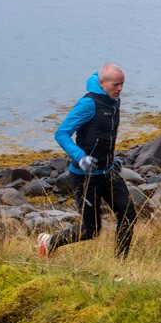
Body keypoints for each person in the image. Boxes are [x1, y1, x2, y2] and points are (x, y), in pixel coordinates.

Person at [38, 62, 138, 259]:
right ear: (102, 83)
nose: (120, 89)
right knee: (90, 230)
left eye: (122, 84)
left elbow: (104, 134)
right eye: (116, 85)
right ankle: (49, 242)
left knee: (128, 215)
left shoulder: (114, 101)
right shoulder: (88, 104)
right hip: (85, 177)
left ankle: (121, 263)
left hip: (108, 171)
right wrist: (80, 157)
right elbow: (62, 134)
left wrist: (111, 157)